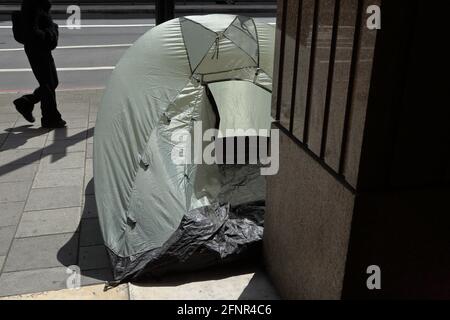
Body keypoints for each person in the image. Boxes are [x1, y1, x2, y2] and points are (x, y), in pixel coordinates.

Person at [13, 0, 66, 128]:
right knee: (47, 84)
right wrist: (48, 35)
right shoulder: (31, 4)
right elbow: (31, 30)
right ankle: (50, 118)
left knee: (52, 82)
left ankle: (26, 103)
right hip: (37, 48)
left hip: (41, 48)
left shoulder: (38, 3)